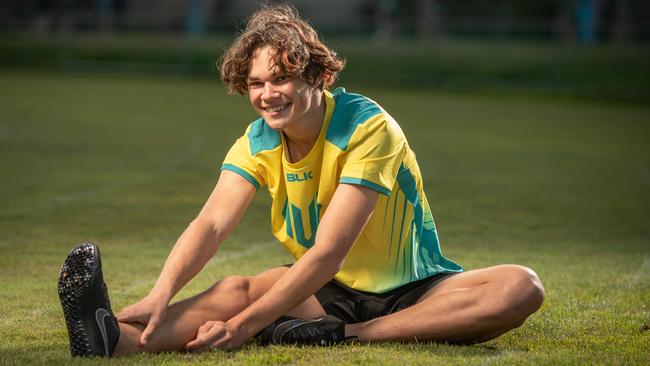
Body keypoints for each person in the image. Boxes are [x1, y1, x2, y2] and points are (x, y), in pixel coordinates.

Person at [57, 4, 545, 358]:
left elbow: (330, 248)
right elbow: (210, 225)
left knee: (519, 287)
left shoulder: (367, 126)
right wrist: (162, 290)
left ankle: (348, 337)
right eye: (255, 83)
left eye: (281, 79)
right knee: (239, 288)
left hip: (416, 289)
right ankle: (112, 336)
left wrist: (246, 328)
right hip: (327, 290)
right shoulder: (256, 140)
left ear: (317, 75)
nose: (268, 95)